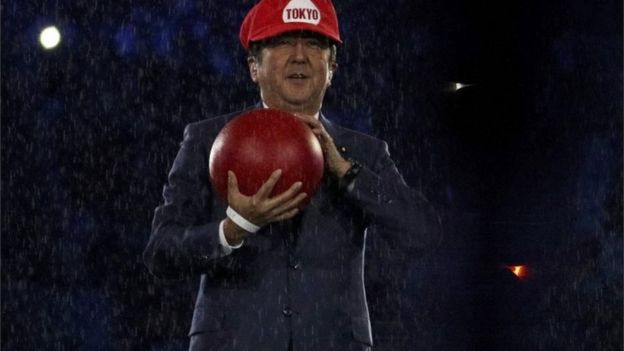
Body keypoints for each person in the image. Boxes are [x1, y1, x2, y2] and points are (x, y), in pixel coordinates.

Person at [143, 0, 441, 350]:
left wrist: (347, 173)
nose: (300, 56)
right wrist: (233, 229)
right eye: (283, 42)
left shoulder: (364, 153)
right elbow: (161, 255)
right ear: (254, 67)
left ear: (332, 68)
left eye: (315, 45)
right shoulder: (207, 140)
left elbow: (423, 234)